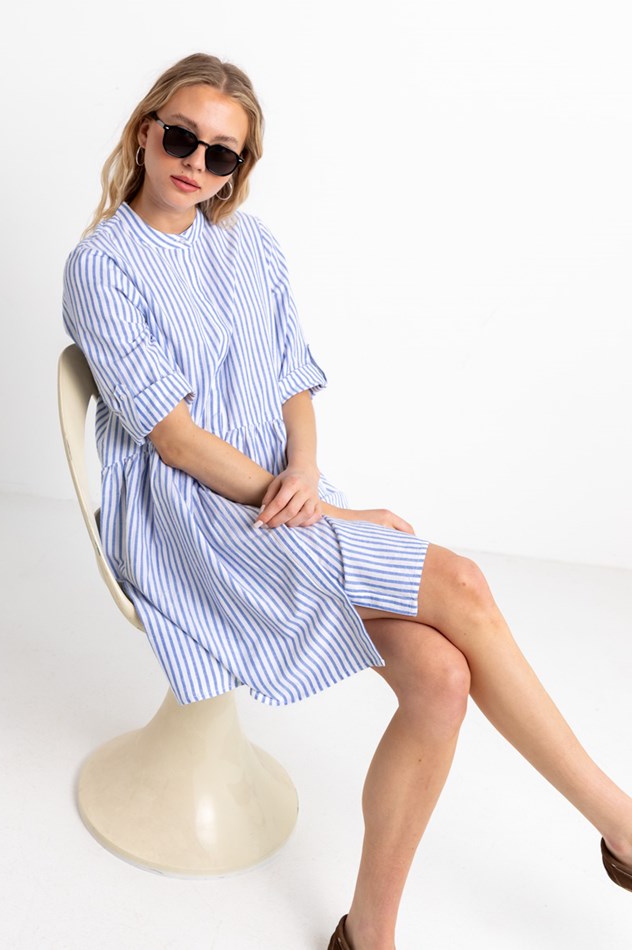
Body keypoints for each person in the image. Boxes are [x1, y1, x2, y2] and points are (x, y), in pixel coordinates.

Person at [62, 52, 632, 949]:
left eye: (222, 154)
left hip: (281, 494)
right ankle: (623, 824)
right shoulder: (101, 266)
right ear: (145, 133)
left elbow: (292, 378)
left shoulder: (249, 245)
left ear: (238, 169)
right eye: (181, 138)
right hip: (193, 518)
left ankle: (368, 934)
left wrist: (310, 472)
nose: (197, 164)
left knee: (442, 678)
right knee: (463, 583)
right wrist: (331, 513)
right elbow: (173, 441)